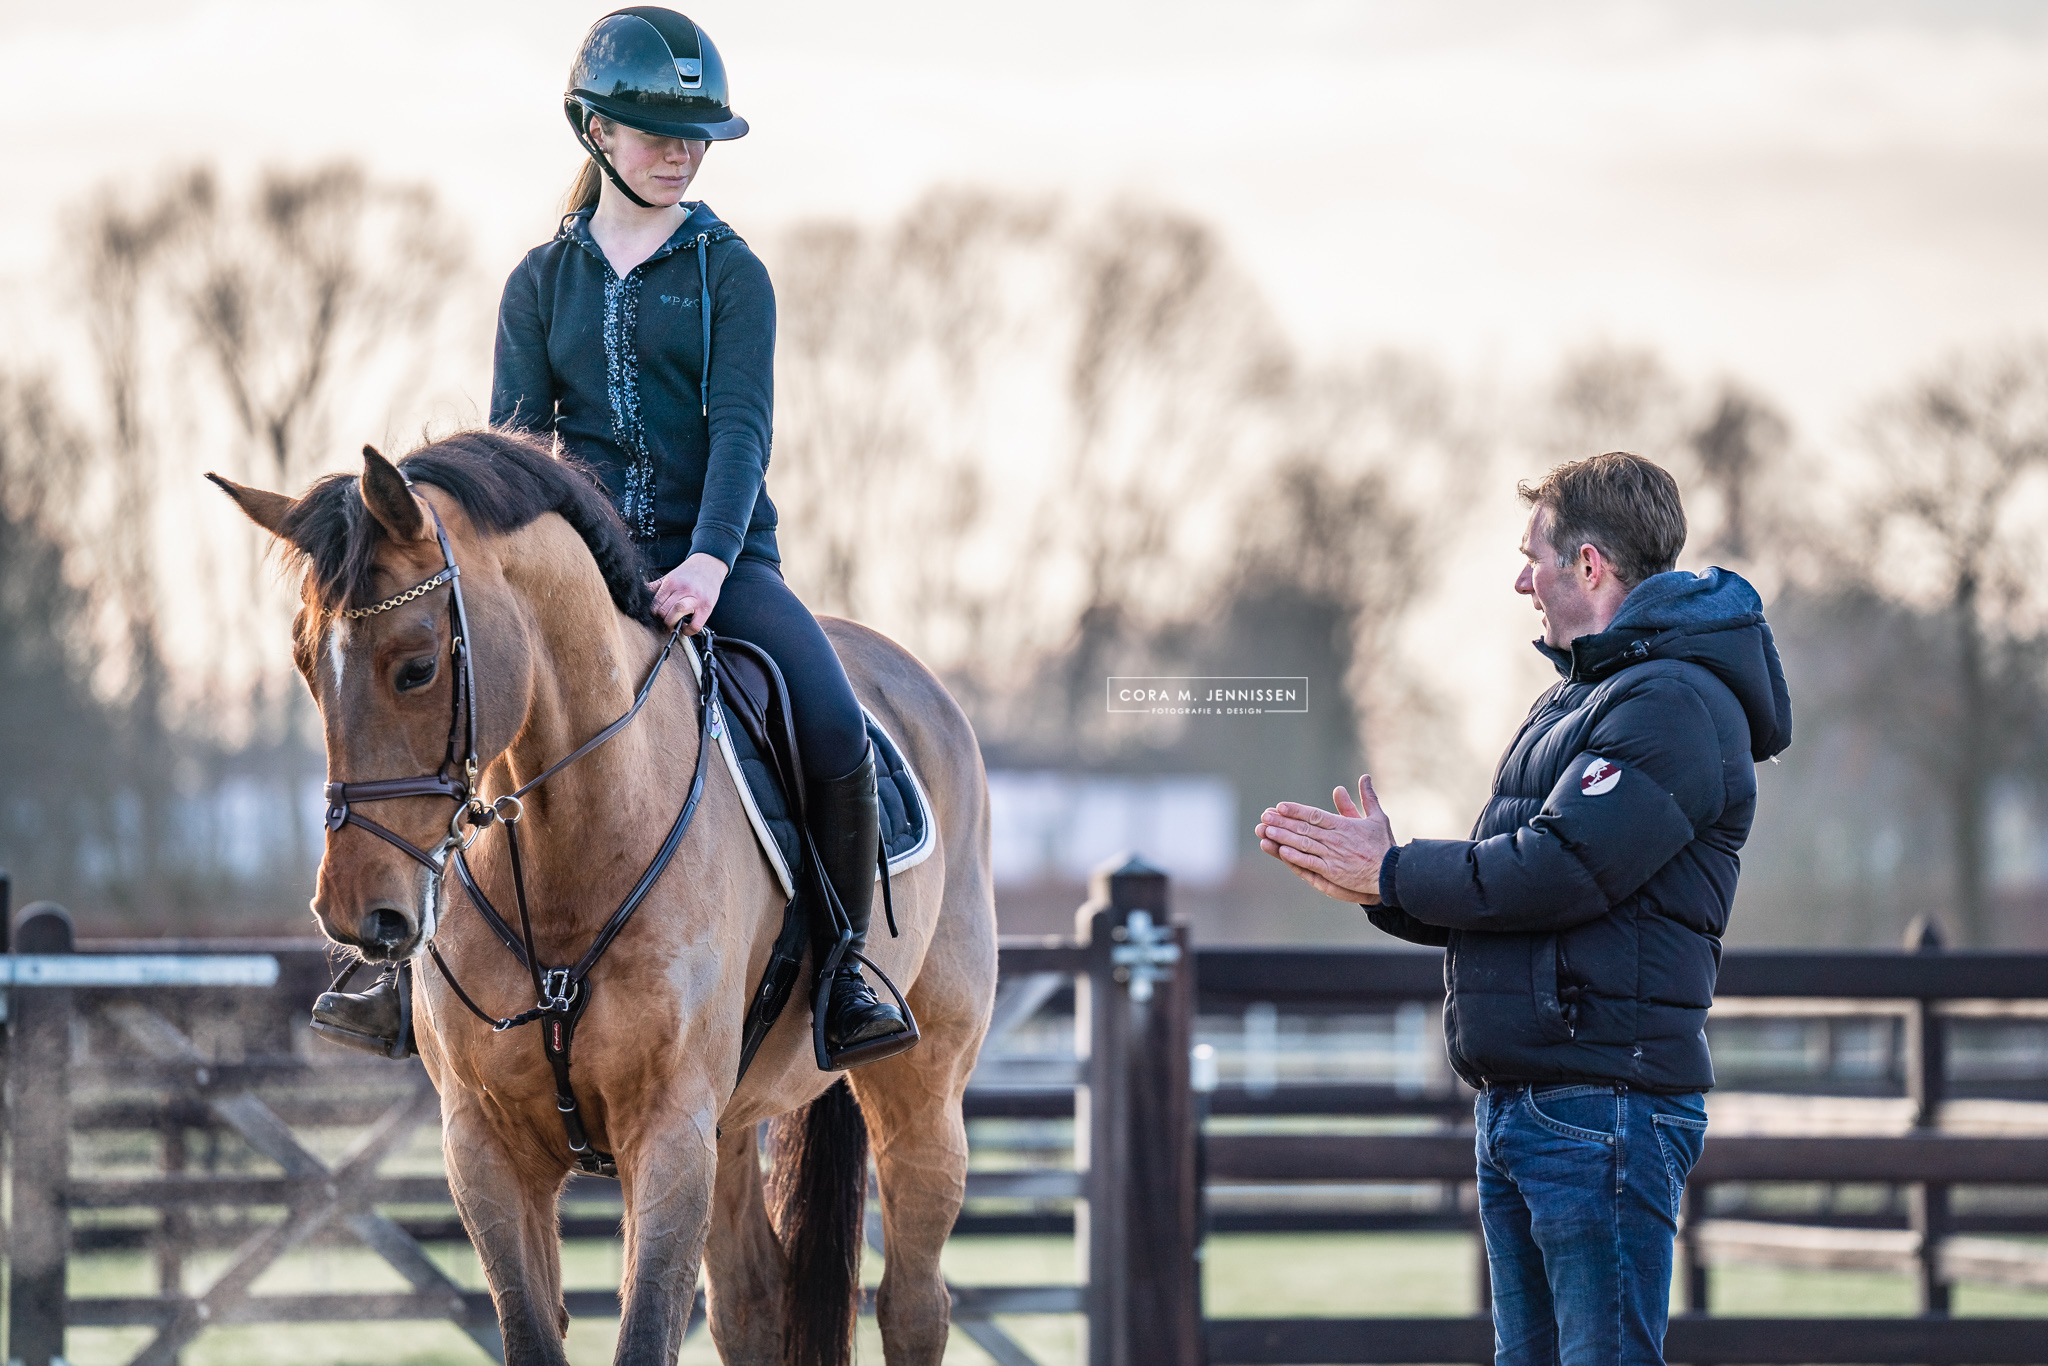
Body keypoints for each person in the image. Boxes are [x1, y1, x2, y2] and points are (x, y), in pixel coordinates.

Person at [314, 7, 911, 1068]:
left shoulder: (732, 274)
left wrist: (709, 563)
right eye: (651, 129)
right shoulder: (539, 285)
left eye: (693, 135)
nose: (678, 152)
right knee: (453, 711)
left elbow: (740, 431)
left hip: (721, 565)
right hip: (574, 585)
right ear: (594, 132)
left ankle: (846, 971)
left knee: (829, 720)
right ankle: (393, 967)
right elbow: (513, 459)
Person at [1255, 451, 1791, 1365]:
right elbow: (1509, 890)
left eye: (1532, 555)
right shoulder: (1581, 699)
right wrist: (1377, 881)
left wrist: (1392, 871)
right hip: (1535, 1100)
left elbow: (1559, 870)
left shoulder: (1673, 703)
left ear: (1588, 565)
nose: (1520, 580)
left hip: (1602, 1106)